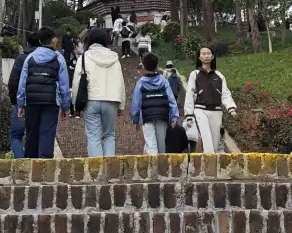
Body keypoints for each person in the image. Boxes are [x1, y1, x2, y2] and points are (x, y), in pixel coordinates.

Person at [16, 26, 71, 161]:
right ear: (53, 40)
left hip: (32, 101)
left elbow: (22, 83)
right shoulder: (59, 58)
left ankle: (30, 163)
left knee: (31, 133)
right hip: (51, 102)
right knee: (47, 133)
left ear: (40, 41)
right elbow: (64, 85)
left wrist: (21, 104)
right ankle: (45, 165)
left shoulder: (30, 58)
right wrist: (65, 106)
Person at [76, 27, 127, 158]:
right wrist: (121, 105)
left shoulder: (84, 57)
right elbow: (120, 81)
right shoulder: (114, 58)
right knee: (109, 135)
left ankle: (96, 168)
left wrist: (76, 105)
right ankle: (109, 167)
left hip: (91, 100)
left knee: (93, 136)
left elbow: (77, 81)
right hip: (111, 100)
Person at [183, 45, 238, 154]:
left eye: (208, 53)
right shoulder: (195, 74)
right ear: (199, 57)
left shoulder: (219, 76)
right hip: (200, 110)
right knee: (207, 140)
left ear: (212, 56)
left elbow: (225, 93)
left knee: (215, 143)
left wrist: (231, 107)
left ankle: (211, 163)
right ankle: (209, 163)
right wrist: (189, 114)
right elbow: (190, 94)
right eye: (203, 54)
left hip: (216, 111)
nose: (206, 56)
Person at [129, 51, 181, 154]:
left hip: (147, 117)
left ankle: (153, 162)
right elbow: (171, 99)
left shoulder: (141, 82)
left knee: (151, 145)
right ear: (157, 66)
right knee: (162, 145)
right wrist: (174, 117)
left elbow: (136, 103)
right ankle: (161, 163)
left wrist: (135, 120)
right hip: (163, 116)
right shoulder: (164, 81)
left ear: (143, 66)